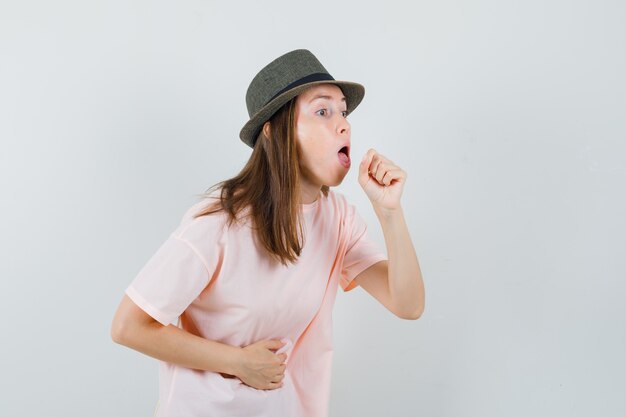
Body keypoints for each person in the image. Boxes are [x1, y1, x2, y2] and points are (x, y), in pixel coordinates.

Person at [110, 49, 425, 417]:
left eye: (343, 111)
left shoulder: (338, 218)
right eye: (322, 111)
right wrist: (238, 362)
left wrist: (389, 213)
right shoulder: (220, 221)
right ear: (275, 131)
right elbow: (129, 325)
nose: (343, 124)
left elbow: (407, 304)